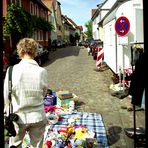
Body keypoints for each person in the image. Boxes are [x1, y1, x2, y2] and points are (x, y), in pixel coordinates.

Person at [4, 38, 49, 148]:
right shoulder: (42, 71)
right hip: (38, 116)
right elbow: (43, 93)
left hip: (17, 117)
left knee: (15, 145)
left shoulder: (11, 70)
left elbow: (6, 96)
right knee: (36, 145)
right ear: (35, 51)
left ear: (20, 51)